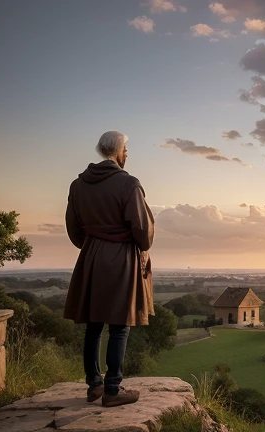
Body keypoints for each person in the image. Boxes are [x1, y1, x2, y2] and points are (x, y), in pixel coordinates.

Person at [64, 131, 155, 407]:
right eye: (126, 149)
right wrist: (139, 246)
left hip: (91, 257)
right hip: (122, 258)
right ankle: (112, 390)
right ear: (118, 152)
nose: (127, 154)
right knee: (119, 326)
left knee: (93, 325)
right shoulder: (129, 184)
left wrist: (92, 246)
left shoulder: (78, 185)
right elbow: (143, 231)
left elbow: (73, 228)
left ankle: (94, 385)